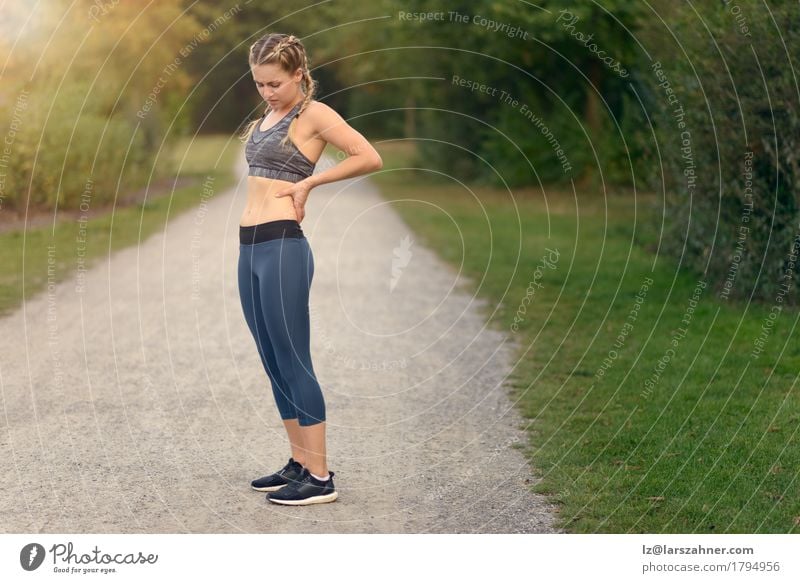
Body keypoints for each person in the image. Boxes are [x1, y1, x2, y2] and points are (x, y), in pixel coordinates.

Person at [237, 33, 382, 506]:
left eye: (275, 82)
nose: (267, 92)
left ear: (299, 74)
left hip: (283, 246)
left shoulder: (313, 115)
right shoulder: (268, 117)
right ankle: (299, 461)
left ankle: (320, 478)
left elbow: (369, 156)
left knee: (294, 358)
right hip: (250, 247)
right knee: (272, 359)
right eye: (260, 84)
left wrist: (310, 184)